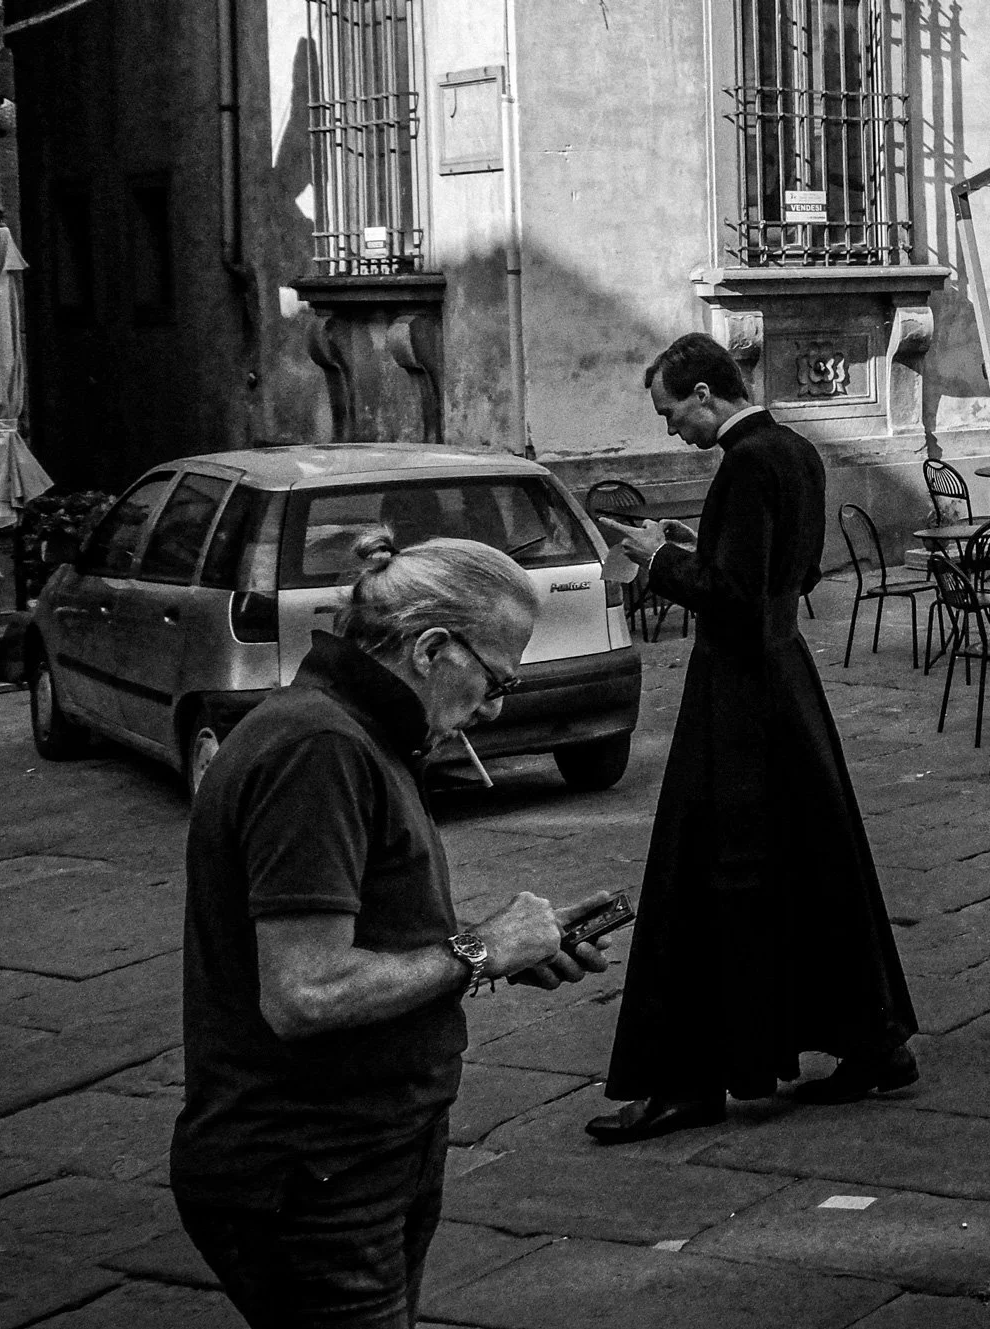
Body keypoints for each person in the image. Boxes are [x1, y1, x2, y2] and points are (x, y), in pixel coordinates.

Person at [171, 530, 611, 1328]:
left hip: (362, 1154)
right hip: (314, 1173)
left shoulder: (357, 733)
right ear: (432, 648)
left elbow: (364, 937)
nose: (495, 706)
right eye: (495, 679)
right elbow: (304, 992)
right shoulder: (320, 748)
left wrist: (503, 947)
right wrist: (481, 948)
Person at [585, 332, 918, 1144]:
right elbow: (791, 575)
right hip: (787, 681)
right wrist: (699, 547)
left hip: (737, 693)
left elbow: (733, 597)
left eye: (672, 412)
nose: (672, 430)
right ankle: (873, 1041)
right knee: (814, 859)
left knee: (704, 872)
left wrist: (657, 559)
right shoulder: (797, 451)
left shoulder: (744, 463)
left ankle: (687, 1082)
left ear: (705, 392)